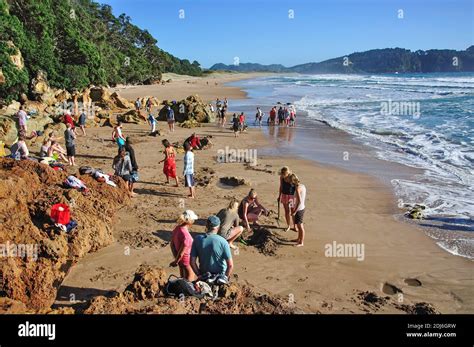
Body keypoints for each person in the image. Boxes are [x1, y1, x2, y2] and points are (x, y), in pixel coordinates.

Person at [190, 215, 233, 282]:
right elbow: (230, 265)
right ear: (218, 227)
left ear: (206, 226)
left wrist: (199, 275)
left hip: (204, 276)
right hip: (220, 276)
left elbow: (192, 262)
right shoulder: (223, 241)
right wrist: (225, 277)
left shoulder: (197, 239)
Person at [170, 210, 198, 281]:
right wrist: (176, 261)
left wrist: (176, 259)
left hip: (180, 260)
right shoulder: (186, 236)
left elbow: (172, 244)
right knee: (190, 278)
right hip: (187, 260)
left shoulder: (177, 228)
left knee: (182, 278)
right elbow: (183, 251)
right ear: (190, 221)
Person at [290, 174, 306, 247]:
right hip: (301, 208)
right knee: (299, 226)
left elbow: (299, 201)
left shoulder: (298, 188)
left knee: (300, 226)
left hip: (299, 209)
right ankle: (298, 239)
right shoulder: (302, 185)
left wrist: (295, 211)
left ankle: (301, 242)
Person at [278, 166, 296, 232]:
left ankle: (295, 226)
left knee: (293, 212)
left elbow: (298, 187)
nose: (283, 176)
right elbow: (281, 187)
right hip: (284, 195)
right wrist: (279, 196)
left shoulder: (293, 177)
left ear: (287, 173)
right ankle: (288, 226)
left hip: (292, 197)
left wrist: (298, 197)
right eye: (282, 174)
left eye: (284, 174)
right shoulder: (281, 177)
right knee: (286, 212)